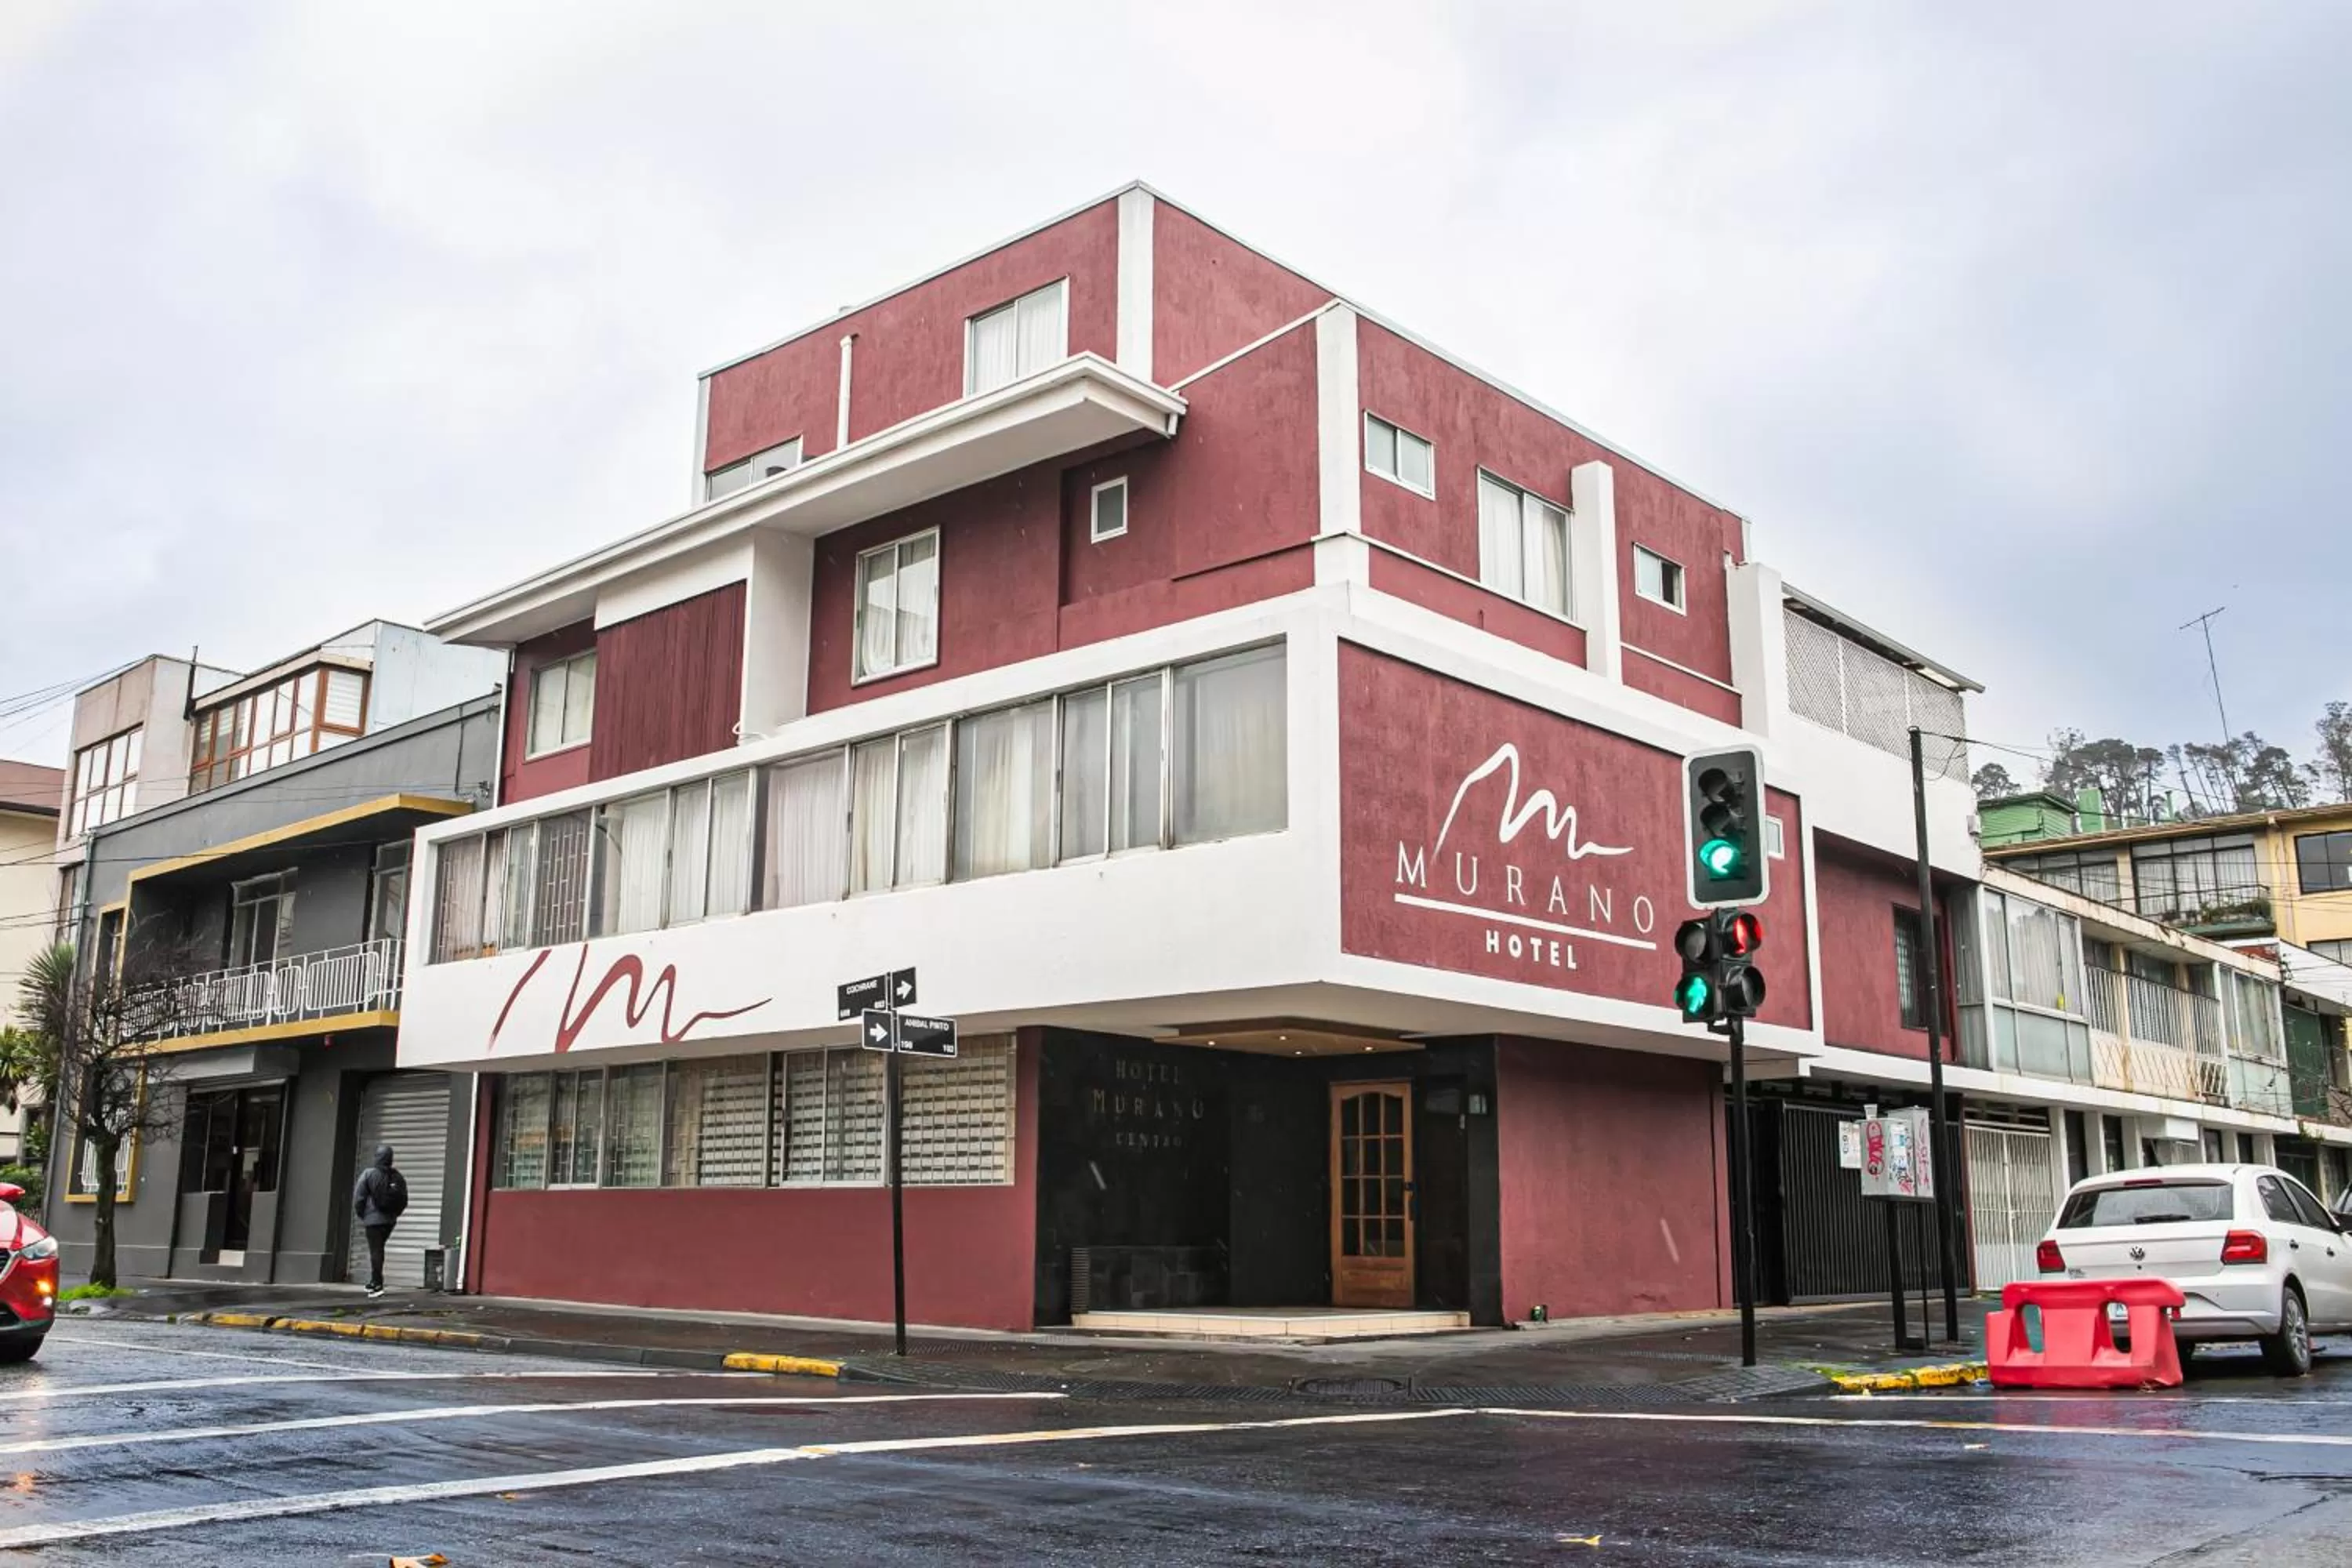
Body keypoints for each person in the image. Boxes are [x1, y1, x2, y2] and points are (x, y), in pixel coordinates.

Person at [351, 1144, 409, 1298]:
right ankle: (373, 1281)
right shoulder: (398, 1176)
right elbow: (404, 1200)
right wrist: (395, 1215)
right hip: (390, 1221)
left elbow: (359, 1198)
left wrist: (362, 1215)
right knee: (379, 1249)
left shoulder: (369, 1174)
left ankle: (377, 1284)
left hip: (373, 1220)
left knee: (376, 1251)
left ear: (377, 1157)